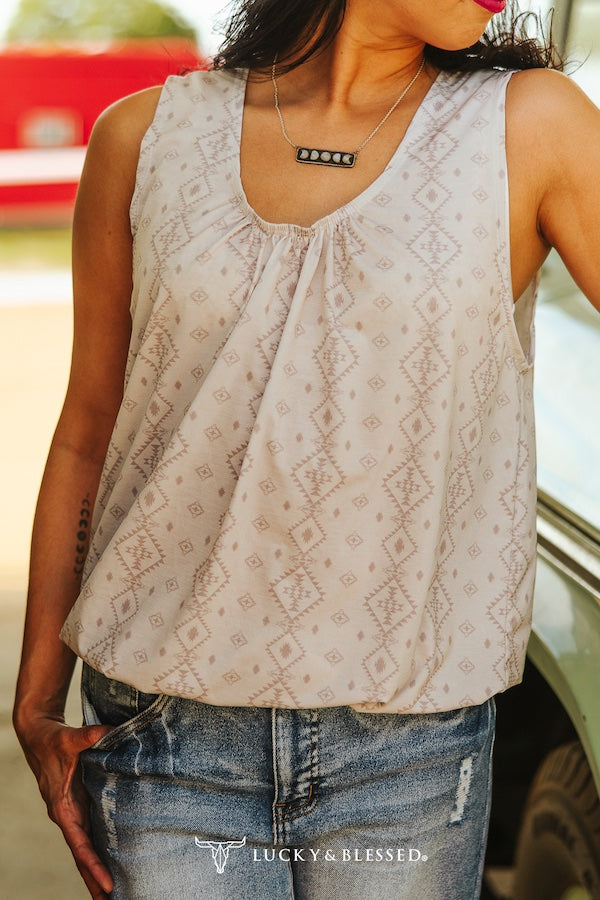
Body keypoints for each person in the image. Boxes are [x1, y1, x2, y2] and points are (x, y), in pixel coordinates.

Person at [12, 1, 600, 898]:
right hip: (164, 739)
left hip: (408, 745)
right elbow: (88, 429)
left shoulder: (531, 125)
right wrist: (36, 700)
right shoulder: (143, 137)